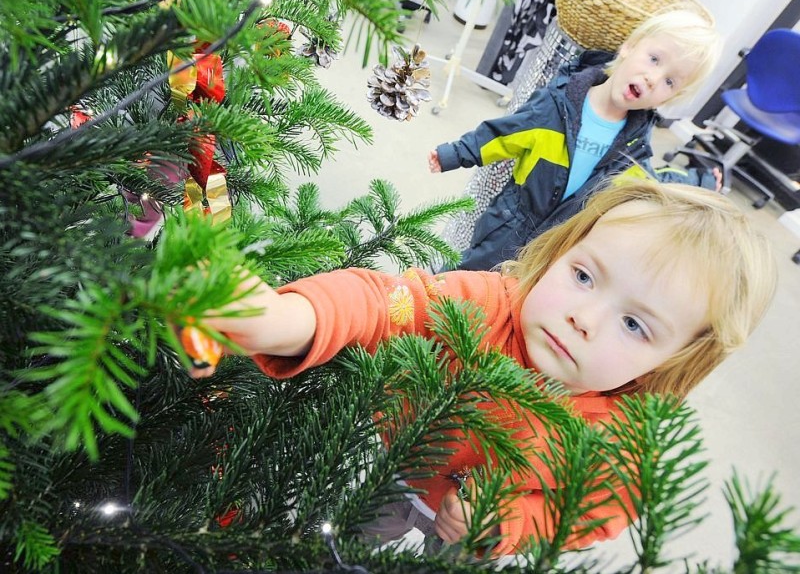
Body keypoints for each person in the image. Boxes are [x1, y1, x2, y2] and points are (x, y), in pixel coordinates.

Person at [187, 180, 777, 557]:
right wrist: (289, 318)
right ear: (562, 248)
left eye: (634, 324)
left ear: (674, 361)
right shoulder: (491, 304)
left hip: (461, 536)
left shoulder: (625, 432)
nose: (583, 318)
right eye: (583, 276)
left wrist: (509, 520)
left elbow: (598, 509)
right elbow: (389, 301)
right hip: (378, 464)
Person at [428, 9, 723, 271]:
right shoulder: (557, 105)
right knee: (461, 282)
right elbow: (504, 133)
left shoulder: (634, 150)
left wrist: (702, 181)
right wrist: (455, 153)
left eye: (670, 81)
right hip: (508, 228)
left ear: (671, 97)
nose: (653, 78)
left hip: (557, 249)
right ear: (629, 47)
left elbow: (653, 187)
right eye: (654, 59)